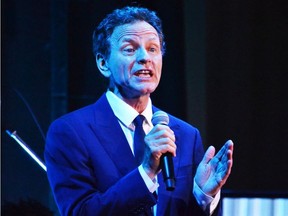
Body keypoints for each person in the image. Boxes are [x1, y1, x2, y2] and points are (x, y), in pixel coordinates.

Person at [44, 6, 233, 216]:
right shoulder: (70, 132)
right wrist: (146, 171)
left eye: (153, 49)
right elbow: (80, 212)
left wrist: (203, 197)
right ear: (103, 63)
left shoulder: (187, 135)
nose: (145, 57)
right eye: (130, 49)